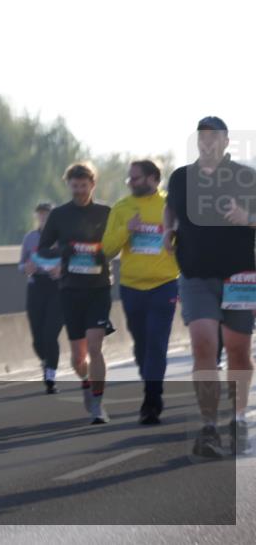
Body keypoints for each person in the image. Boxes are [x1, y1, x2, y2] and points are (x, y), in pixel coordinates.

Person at [164, 117, 255, 456]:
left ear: (226, 141)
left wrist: (247, 218)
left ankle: (238, 418)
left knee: (238, 352)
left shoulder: (245, 177)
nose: (207, 141)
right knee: (203, 345)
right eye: (202, 136)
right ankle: (208, 428)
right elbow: (170, 207)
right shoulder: (181, 177)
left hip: (240, 277)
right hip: (195, 274)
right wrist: (167, 229)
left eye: (214, 136)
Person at [101, 160, 180, 425]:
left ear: (153, 179)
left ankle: (152, 400)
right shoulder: (122, 208)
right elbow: (107, 249)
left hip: (164, 284)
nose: (131, 182)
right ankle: (151, 385)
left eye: (136, 178)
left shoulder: (170, 206)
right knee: (142, 346)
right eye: (129, 178)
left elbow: (185, 242)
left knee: (157, 342)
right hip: (132, 287)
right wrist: (128, 229)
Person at [37, 163, 115, 424]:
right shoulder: (59, 215)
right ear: (68, 185)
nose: (79, 190)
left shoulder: (105, 212)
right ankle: (85, 381)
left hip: (99, 288)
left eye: (84, 186)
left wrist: (105, 252)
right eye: (75, 186)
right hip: (71, 290)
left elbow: (117, 243)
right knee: (78, 358)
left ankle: (98, 404)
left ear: (93, 185)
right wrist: (62, 253)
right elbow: (42, 250)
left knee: (95, 346)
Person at [19, 202, 65, 394]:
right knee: (38, 338)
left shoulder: (63, 237)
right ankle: (46, 361)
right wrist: (26, 268)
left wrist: (61, 269)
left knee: (50, 334)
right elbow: (21, 264)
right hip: (36, 286)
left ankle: (51, 377)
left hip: (58, 288)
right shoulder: (30, 238)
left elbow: (72, 260)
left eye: (47, 215)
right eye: (41, 215)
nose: (44, 218)